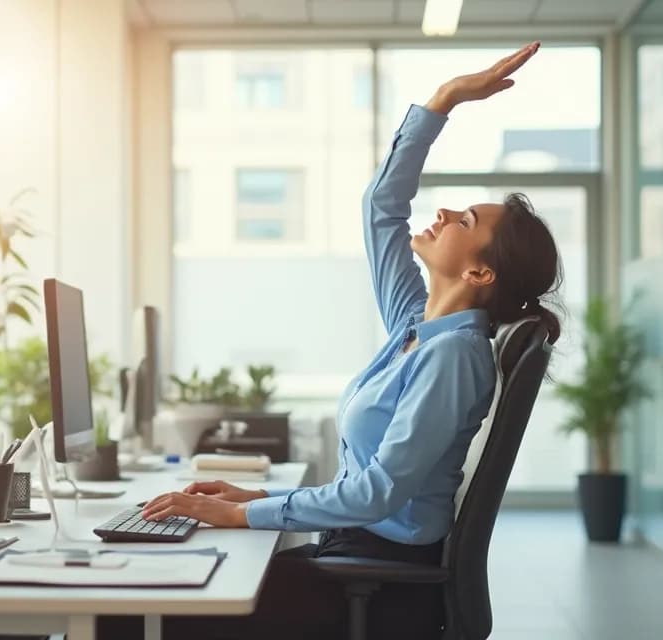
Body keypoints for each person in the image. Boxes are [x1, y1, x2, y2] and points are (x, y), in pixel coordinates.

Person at [99, 41, 562, 640]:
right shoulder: (415, 327)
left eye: (466, 222)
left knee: (132, 611)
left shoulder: (453, 356)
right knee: (142, 593)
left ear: (479, 274)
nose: (445, 212)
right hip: (353, 557)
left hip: (378, 584)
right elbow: (382, 208)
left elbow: (377, 493)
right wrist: (442, 102)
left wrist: (241, 512)